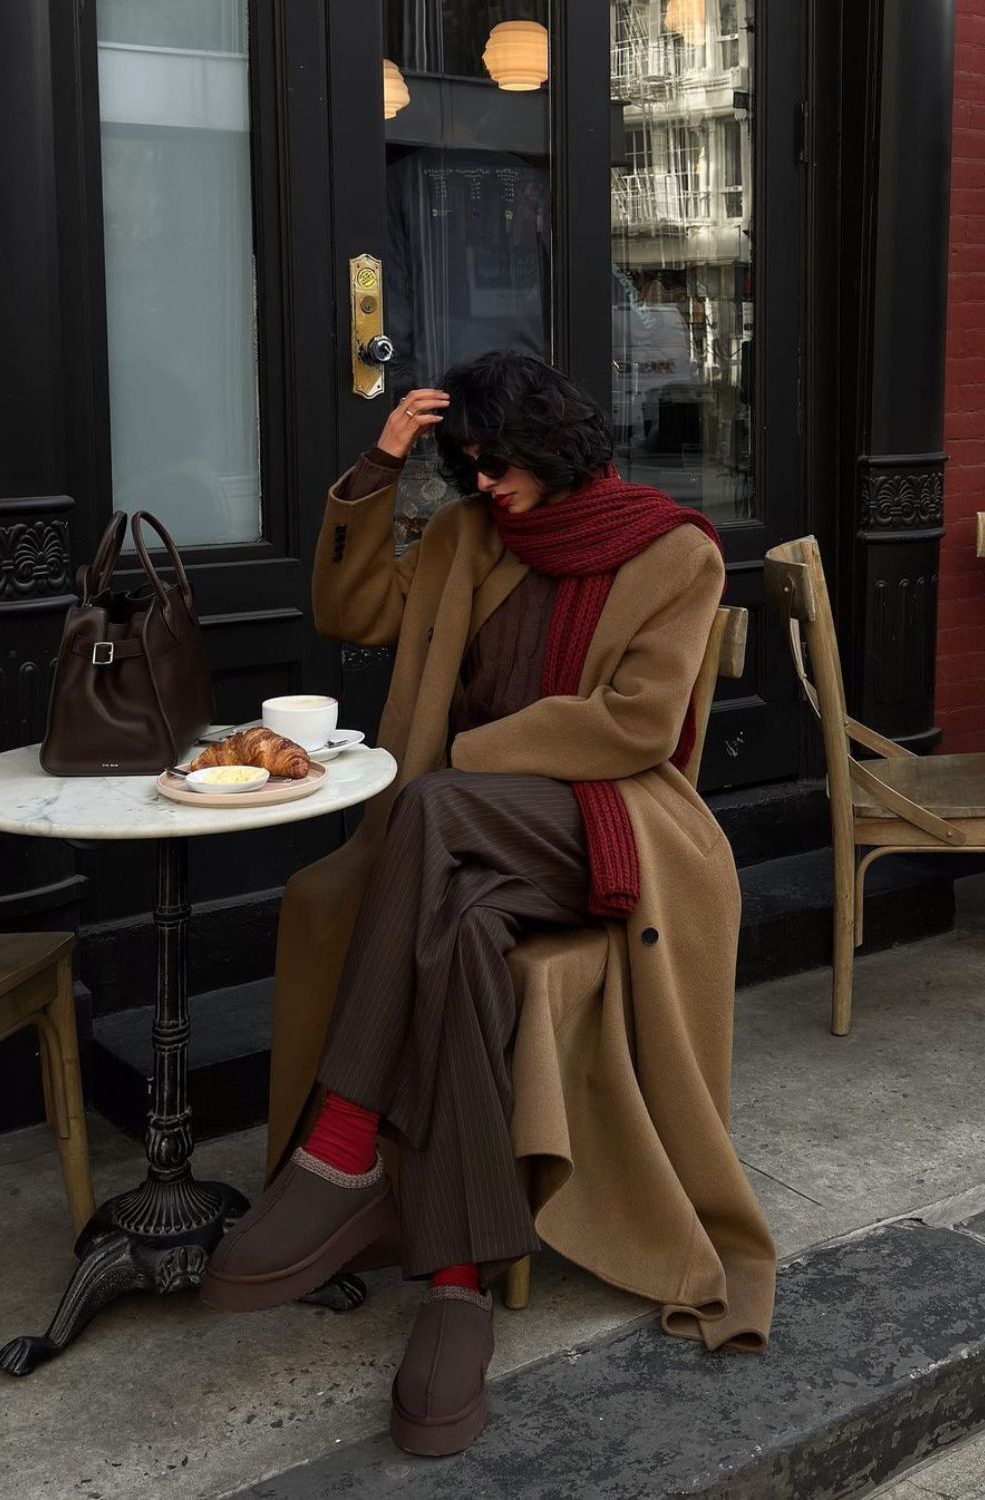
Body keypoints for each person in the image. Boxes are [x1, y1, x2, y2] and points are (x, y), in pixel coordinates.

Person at [200, 352, 776, 1457]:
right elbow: (349, 605)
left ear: (552, 443)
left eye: (495, 457)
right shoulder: (471, 535)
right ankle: (457, 1288)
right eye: (464, 463)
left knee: (432, 811)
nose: (481, 479)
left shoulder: (672, 550)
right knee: (455, 932)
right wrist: (378, 468)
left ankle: (342, 1139)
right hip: (464, 848)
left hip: (609, 828)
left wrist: (466, 758)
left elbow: (638, 727)